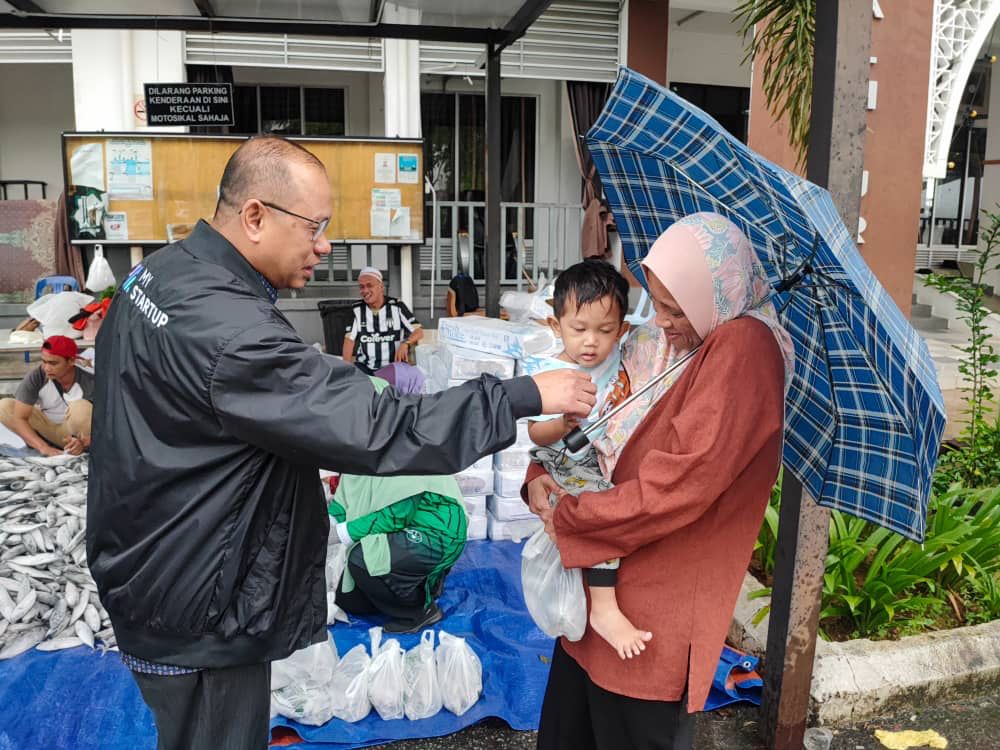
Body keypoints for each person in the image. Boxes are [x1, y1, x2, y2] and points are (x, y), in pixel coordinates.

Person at [87, 134, 596, 750]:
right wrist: (523, 395)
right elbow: (381, 427)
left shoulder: (157, 274)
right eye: (315, 227)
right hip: (200, 606)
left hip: (154, 566)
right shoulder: (232, 333)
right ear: (254, 217)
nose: (324, 247)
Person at [523, 213, 795, 750]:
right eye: (658, 302)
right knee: (570, 730)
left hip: (651, 605)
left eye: (674, 307)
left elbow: (679, 484)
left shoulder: (743, 348)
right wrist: (540, 476)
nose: (661, 320)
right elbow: (606, 420)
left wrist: (572, 515)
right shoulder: (682, 339)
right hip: (600, 582)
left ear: (716, 293)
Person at [526, 259, 651, 660]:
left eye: (605, 330)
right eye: (578, 330)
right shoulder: (551, 372)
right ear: (555, 324)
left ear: (623, 330)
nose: (591, 342)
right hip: (564, 455)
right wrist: (561, 424)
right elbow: (534, 432)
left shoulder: (621, 357)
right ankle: (605, 607)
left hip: (593, 455)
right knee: (602, 507)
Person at [330, 371, 467, 633]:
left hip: (435, 532)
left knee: (363, 559)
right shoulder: (361, 450)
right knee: (350, 601)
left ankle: (420, 610)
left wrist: (340, 533)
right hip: (398, 531)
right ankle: (416, 583)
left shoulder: (405, 446)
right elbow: (344, 500)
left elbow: (395, 515)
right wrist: (322, 523)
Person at [0, 335, 93, 456]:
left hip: (83, 438)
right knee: (4, 406)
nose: (47, 368)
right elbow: (19, 418)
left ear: (71, 361)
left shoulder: (91, 378)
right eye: (44, 361)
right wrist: (43, 448)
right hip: (50, 431)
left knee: (80, 408)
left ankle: (81, 449)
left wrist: (85, 442)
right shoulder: (37, 376)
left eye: (53, 363)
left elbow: (112, 422)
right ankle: (45, 446)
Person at [342, 266, 422, 373]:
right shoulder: (356, 309)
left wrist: (405, 343)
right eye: (361, 287)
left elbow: (418, 331)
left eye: (369, 285)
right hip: (365, 367)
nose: (365, 290)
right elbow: (349, 341)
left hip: (393, 367)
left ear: (381, 286)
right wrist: (346, 371)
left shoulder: (397, 306)